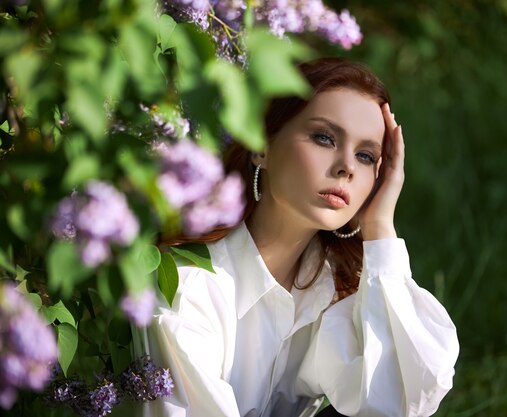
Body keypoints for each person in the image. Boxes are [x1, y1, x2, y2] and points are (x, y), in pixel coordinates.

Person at [135, 58, 459, 417]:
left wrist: (380, 226)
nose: (347, 167)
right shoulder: (188, 287)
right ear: (262, 145)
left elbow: (407, 397)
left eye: (366, 156)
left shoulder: (335, 288)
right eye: (324, 137)